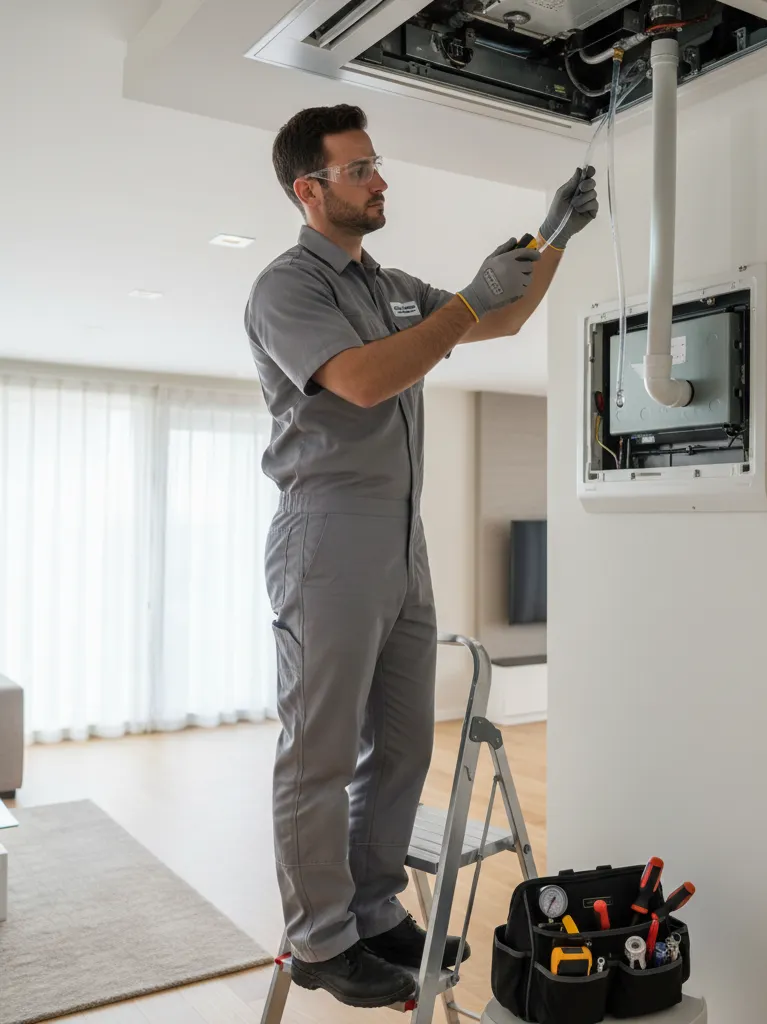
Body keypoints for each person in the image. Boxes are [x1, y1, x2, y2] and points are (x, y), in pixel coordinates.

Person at [244, 103, 598, 1009]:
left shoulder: (387, 285)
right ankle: (320, 939)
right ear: (308, 188)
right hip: (328, 533)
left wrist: (553, 231)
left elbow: (501, 319)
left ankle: (369, 905)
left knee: (402, 744)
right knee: (319, 753)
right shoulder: (289, 288)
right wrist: (473, 296)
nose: (380, 179)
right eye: (360, 169)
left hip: (403, 535)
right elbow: (363, 382)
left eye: (376, 165)